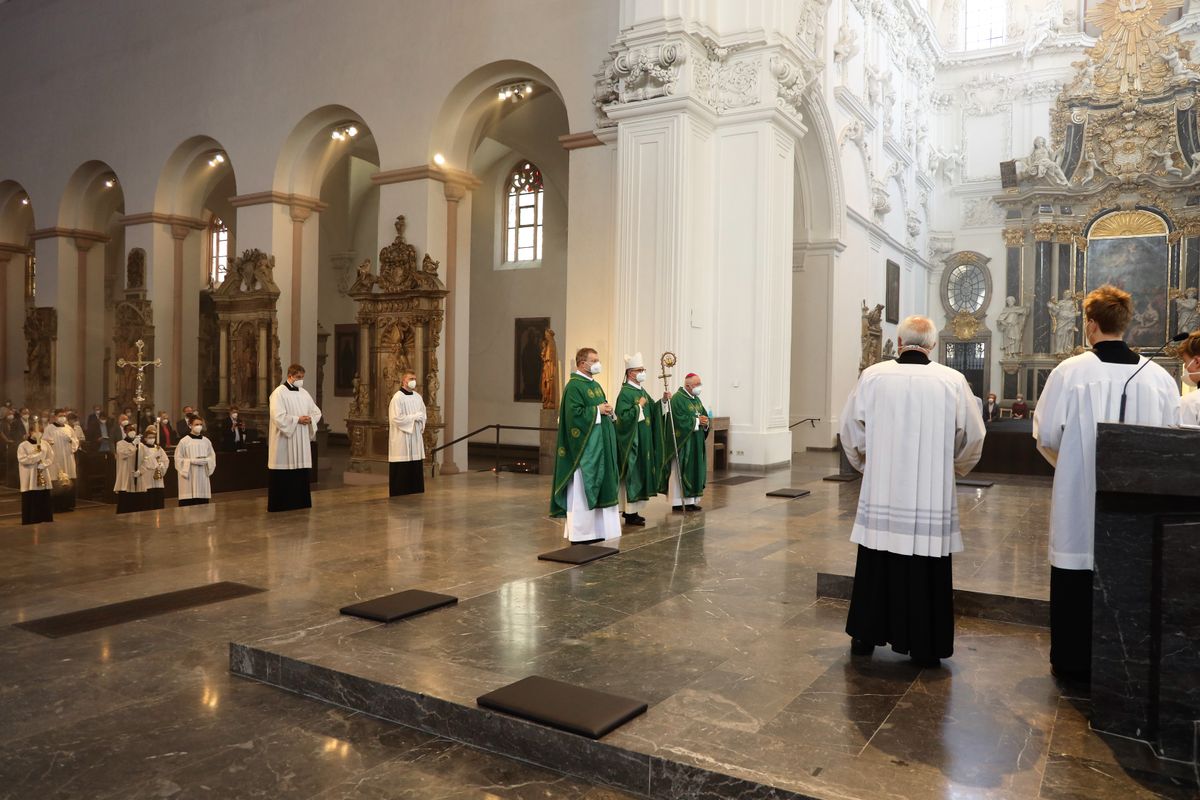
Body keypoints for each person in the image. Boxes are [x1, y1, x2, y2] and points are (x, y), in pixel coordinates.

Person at [1033, 285, 1180, 682]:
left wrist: (1073, 464)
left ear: (1090, 325)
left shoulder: (1070, 372)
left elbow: (1046, 434)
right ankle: (1125, 663)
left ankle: (1073, 661)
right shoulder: (1159, 379)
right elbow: (1172, 443)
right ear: (1125, 323)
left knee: (1076, 569)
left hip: (1079, 497)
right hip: (1137, 502)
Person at [840, 315, 987, 667]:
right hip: (931, 494)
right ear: (933, 345)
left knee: (877, 560)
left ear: (900, 342)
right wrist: (953, 468)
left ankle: (865, 636)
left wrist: (867, 467)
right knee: (926, 567)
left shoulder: (873, 377)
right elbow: (974, 435)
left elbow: (850, 431)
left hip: (883, 490)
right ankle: (925, 644)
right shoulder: (951, 380)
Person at [549, 347, 621, 543]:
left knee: (600, 489)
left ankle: (597, 532)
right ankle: (582, 534)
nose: (598, 363)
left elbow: (599, 407)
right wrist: (596, 410)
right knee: (582, 490)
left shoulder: (595, 385)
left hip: (600, 449)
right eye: (594, 360)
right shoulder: (574, 386)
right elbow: (573, 417)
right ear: (582, 363)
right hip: (585, 451)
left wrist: (607, 410)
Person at [613, 352, 666, 527]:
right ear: (630, 373)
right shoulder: (625, 393)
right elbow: (622, 417)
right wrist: (638, 406)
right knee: (632, 475)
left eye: (643, 369)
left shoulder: (640, 390)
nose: (643, 372)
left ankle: (634, 512)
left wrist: (663, 402)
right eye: (639, 370)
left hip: (644, 440)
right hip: (633, 442)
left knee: (639, 474)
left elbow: (654, 408)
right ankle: (629, 514)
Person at [267, 364, 321, 512]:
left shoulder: (304, 393)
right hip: (284, 441)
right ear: (290, 376)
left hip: (301, 439)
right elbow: (278, 417)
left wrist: (310, 419)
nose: (300, 380)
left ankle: (300, 503)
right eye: (298, 377)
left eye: (302, 377)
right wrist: (297, 419)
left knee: (300, 472)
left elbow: (316, 412)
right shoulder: (279, 393)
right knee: (284, 472)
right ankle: (281, 505)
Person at [665, 372, 709, 512]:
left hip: (696, 441)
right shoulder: (678, 399)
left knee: (695, 470)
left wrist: (706, 422)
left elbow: (704, 415)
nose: (699, 387)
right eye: (697, 384)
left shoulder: (696, 399)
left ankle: (691, 501)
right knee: (682, 471)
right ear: (688, 386)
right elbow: (677, 420)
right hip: (684, 443)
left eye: (700, 384)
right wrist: (696, 421)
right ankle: (678, 502)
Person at [387, 371, 427, 496]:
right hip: (402, 439)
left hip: (415, 438)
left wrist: (419, 419)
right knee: (401, 470)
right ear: (404, 380)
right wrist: (414, 417)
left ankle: (415, 492)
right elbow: (395, 418)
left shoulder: (417, 397)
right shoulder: (397, 398)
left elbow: (423, 415)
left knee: (415, 467)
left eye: (415, 378)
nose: (413, 381)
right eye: (411, 378)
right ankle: (400, 494)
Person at [17, 424, 54, 524]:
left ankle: (45, 517)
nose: (39, 434)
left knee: (43, 496)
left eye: (40, 431)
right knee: (31, 497)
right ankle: (31, 519)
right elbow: (22, 459)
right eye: (36, 431)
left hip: (43, 472)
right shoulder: (23, 445)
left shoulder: (45, 444)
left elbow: (50, 457)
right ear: (30, 432)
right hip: (29, 475)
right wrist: (36, 457)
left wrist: (44, 464)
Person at [175, 417, 216, 506]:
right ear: (190, 426)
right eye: (196, 424)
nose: (199, 426)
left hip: (202, 474)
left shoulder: (206, 441)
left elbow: (212, 456)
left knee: (202, 504)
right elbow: (178, 459)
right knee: (189, 502)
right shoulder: (184, 441)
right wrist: (191, 461)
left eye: (200, 424)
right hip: (189, 474)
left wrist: (207, 461)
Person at [45, 409, 79, 512]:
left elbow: (75, 441)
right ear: (55, 417)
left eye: (64, 415)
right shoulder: (49, 428)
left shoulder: (69, 428)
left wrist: (71, 441)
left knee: (68, 480)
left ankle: (68, 505)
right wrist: (49, 443)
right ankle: (57, 506)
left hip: (68, 458)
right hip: (56, 458)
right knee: (57, 481)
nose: (63, 417)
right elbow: (45, 442)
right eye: (60, 415)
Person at [114, 422, 147, 514]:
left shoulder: (141, 446)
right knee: (126, 504)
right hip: (126, 476)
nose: (132, 431)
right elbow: (124, 454)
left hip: (138, 477)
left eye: (133, 430)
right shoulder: (120, 444)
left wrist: (141, 471)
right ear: (124, 431)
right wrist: (133, 444)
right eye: (129, 430)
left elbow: (146, 460)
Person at [139, 424, 170, 510]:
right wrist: (152, 458)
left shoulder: (158, 448)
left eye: (153, 437)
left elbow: (166, 460)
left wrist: (162, 465)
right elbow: (142, 461)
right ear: (145, 438)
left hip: (158, 477)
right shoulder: (142, 448)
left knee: (158, 498)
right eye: (149, 437)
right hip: (147, 476)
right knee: (149, 499)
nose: (152, 439)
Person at [1179, 331, 1200, 425]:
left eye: (1185, 362)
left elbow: (1183, 438)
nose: (1186, 367)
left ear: (1197, 362)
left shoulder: (1190, 402)